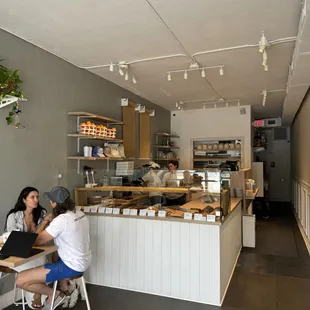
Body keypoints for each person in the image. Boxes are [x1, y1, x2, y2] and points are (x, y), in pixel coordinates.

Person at [16, 186, 91, 309]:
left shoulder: (61, 220)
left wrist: (45, 223)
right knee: (54, 257)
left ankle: (57, 295)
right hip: (84, 260)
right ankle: (63, 291)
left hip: (71, 266)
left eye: (51, 200)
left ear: (54, 203)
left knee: (20, 280)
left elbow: (38, 241)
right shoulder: (79, 213)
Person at [4, 187, 53, 309]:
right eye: (32, 197)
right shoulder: (14, 216)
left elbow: (41, 238)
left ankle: (38, 293)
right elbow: (13, 237)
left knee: (41, 264)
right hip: (18, 253)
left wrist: (43, 224)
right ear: (24, 200)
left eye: (37, 197)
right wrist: (43, 224)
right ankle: (42, 294)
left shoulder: (41, 213)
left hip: (35, 251)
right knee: (37, 268)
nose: (36, 200)